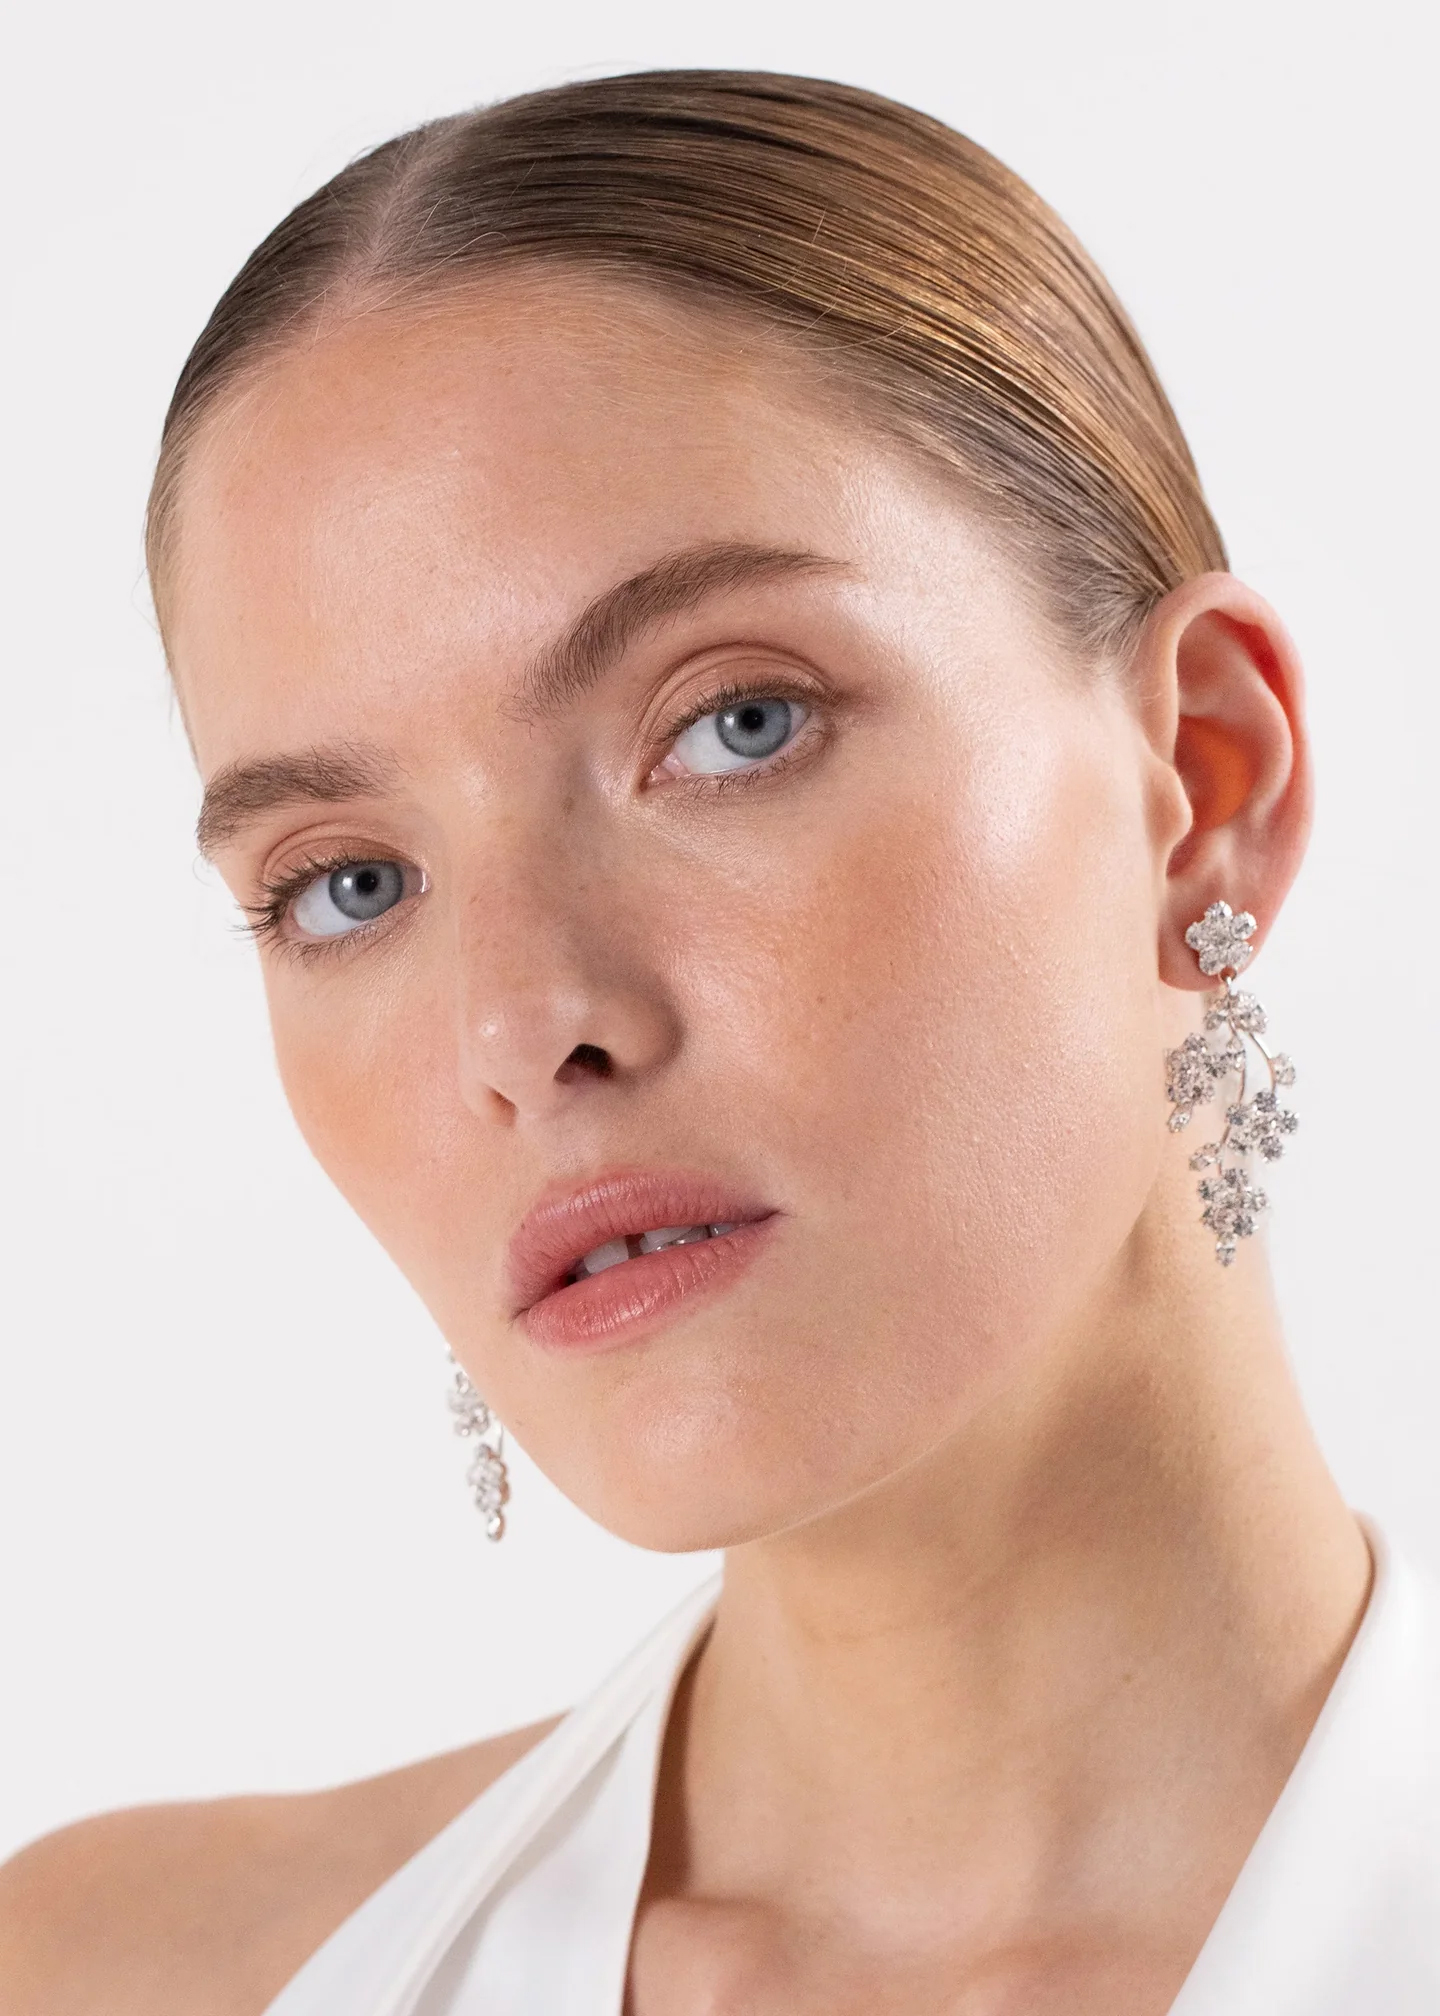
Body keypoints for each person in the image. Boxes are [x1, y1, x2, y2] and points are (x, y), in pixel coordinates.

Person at [2, 67, 1435, 2016]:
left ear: (1203, 777)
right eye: (347, 882)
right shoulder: (124, 1975)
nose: (527, 1025)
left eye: (731, 727)